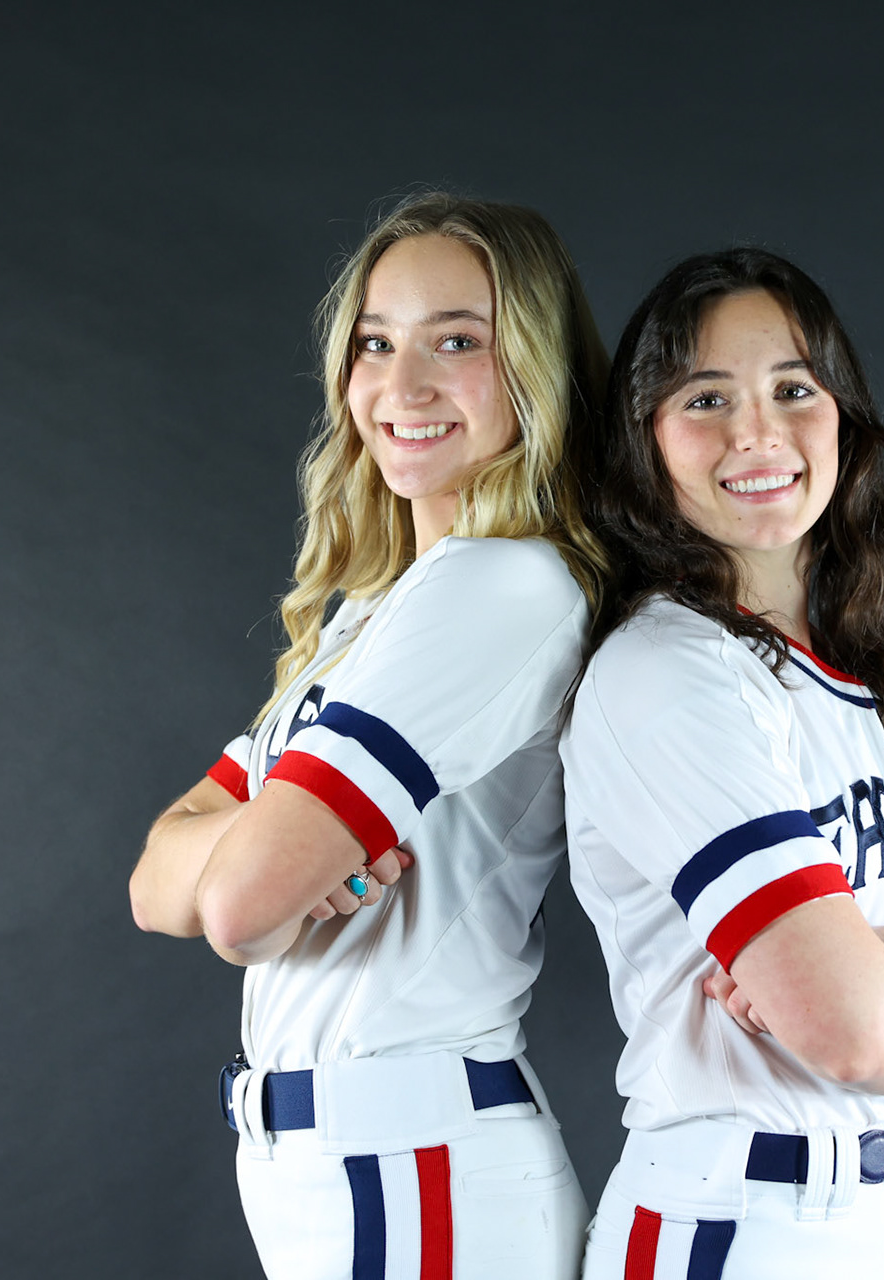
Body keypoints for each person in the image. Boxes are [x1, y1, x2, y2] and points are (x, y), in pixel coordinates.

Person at [561, 248, 884, 1279]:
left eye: (793, 388)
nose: (757, 430)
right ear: (646, 442)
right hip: (745, 1222)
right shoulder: (666, 673)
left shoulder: (880, 670)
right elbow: (853, 1033)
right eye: (706, 397)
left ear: (842, 414)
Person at [129, 191, 607, 1280]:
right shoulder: (374, 610)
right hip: (350, 1162)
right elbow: (158, 881)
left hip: (415, 1167)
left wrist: (256, 863)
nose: (404, 385)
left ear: (536, 365)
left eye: (459, 341)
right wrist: (265, 848)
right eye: (376, 343)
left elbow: (240, 911)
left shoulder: (501, 584)